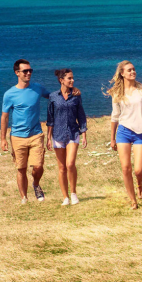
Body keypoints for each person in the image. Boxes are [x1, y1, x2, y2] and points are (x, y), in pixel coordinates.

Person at [1, 59, 58, 204]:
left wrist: (68, 91)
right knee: (21, 168)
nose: (28, 73)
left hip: (36, 134)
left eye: (30, 70)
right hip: (17, 137)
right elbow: (5, 117)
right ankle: (24, 198)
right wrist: (3, 139)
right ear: (17, 73)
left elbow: (52, 97)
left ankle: (36, 184)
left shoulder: (37, 88)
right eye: (25, 71)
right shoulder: (9, 94)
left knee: (38, 166)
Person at [107, 60, 142, 209]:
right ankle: (133, 200)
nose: (133, 72)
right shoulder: (117, 92)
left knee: (138, 169)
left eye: (134, 69)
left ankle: (139, 183)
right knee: (125, 167)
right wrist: (112, 138)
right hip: (124, 132)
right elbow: (115, 117)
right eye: (129, 70)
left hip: (141, 132)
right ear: (122, 74)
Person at [45, 68, 88, 206]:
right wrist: (48, 138)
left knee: (70, 164)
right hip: (57, 134)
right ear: (61, 80)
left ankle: (74, 193)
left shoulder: (76, 95)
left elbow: (81, 115)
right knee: (62, 167)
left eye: (72, 78)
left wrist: (84, 134)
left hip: (73, 133)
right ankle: (65, 197)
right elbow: (50, 118)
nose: (72, 80)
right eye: (69, 78)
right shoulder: (53, 96)